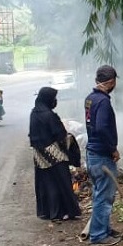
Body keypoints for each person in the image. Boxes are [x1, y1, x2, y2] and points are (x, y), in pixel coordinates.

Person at [28, 87, 82, 221]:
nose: (55, 101)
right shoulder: (49, 115)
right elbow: (60, 135)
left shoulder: (34, 113)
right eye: (54, 98)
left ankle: (48, 212)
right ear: (48, 99)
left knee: (47, 184)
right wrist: (71, 144)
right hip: (55, 155)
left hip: (39, 155)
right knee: (62, 182)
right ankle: (65, 211)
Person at [84, 65, 122, 246]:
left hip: (92, 153)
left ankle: (103, 229)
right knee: (104, 196)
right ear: (111, 82)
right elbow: (101, 128)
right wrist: (112, 149)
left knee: (100, 193)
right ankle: (99, 235)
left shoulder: (90, 98)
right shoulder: (103, 102)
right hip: (101, 155)